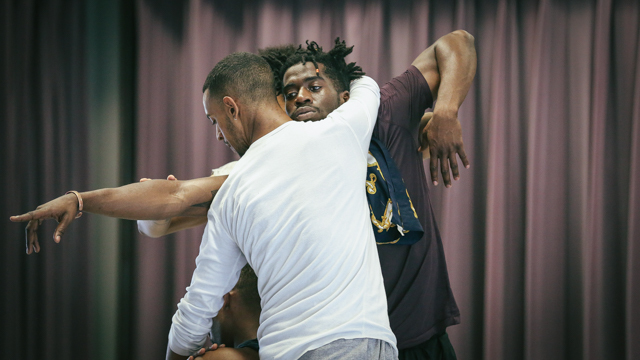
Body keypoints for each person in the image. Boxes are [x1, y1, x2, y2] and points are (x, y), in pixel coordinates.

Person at [12, 52, 397, 359]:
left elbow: (197, 306)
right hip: (358, 342)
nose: (218, 134)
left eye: (215, 120)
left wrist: (176, 354)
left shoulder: (231, 192)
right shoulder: (341, 132)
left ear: (232, 108)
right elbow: (367, 86)